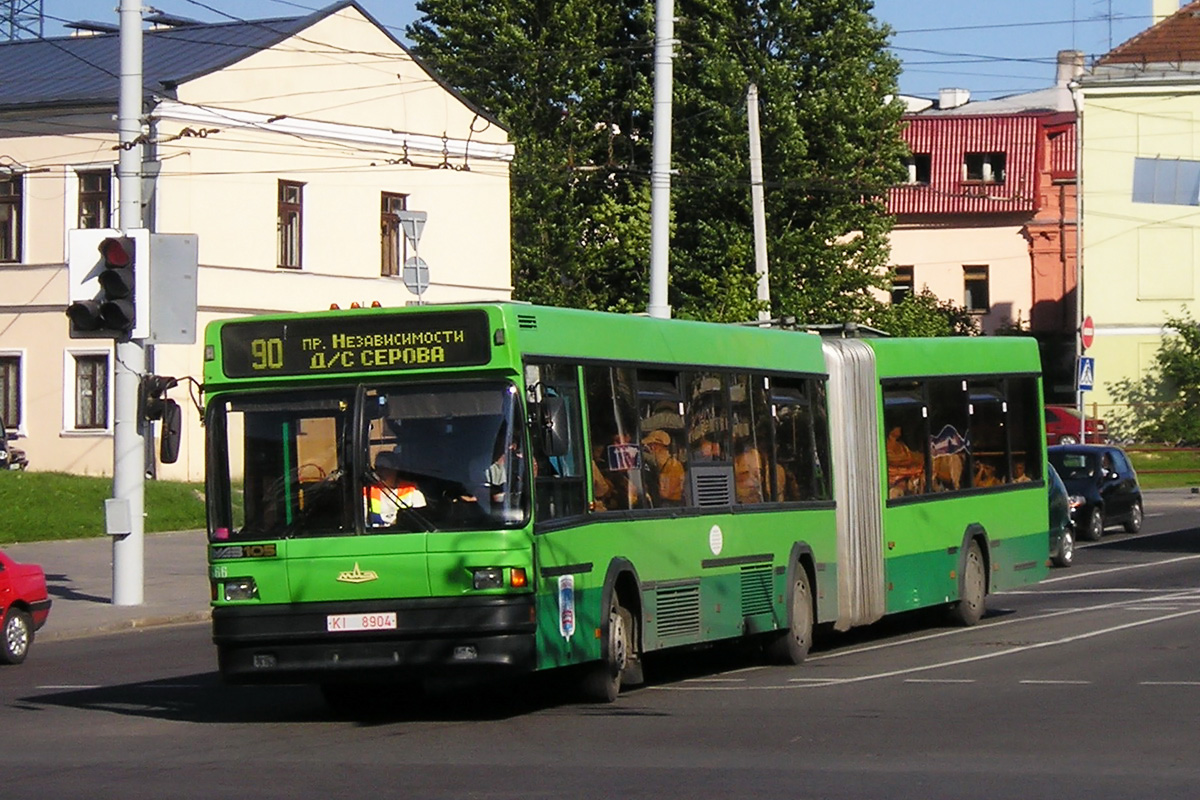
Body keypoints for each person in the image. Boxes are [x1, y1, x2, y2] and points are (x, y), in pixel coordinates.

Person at [365, 450, 426, 527]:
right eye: (377, 468)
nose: (379, 472)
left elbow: (421, 521)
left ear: (395, 469)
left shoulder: (413, 492)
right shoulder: (367, 491)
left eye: (384, 468)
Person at [642, 429, 684, 506]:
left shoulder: (673, 466)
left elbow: (665, 494)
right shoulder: (658, 467)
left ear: (655, 447)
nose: (649, 449)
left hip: (672, 507)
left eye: (649, 446)